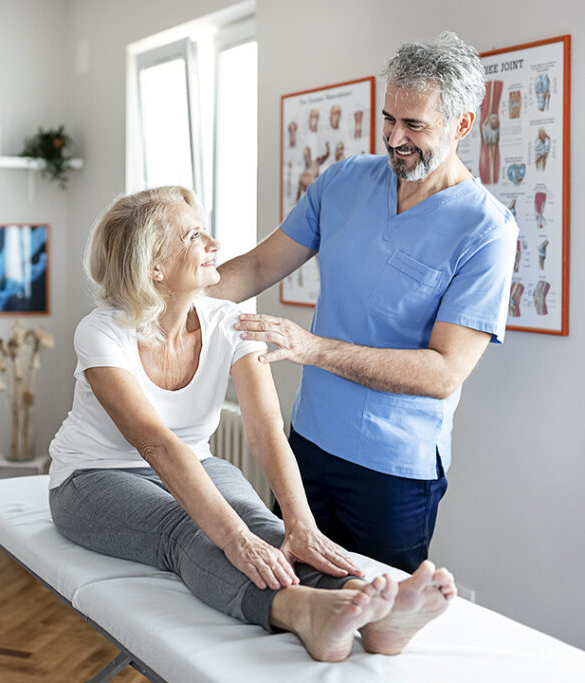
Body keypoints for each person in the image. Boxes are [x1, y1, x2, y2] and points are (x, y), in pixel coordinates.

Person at [49, 186, 456, 662]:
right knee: (192, 529)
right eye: (194, 235)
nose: (214, 244)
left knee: (264, 524)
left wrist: (300, 524)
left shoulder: (232, 321)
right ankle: (304, 612)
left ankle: (371, 608)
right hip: (92, 478)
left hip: (194, 461)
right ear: (154, 266)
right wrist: (233, 539)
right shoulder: (101, 332)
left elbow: (265, 432)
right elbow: (155, 444)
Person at [210, 32, 518, 572]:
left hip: (393, 474)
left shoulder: (487, 231)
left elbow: (445, 371)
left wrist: (313, 349)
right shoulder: (345, 181)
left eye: (415, 126)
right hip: (305, 446)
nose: (395, 138)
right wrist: (159, 303)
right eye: (388, 119)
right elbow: (259, 267)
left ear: (462, 125)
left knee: (374, 629)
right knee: (285, 600)